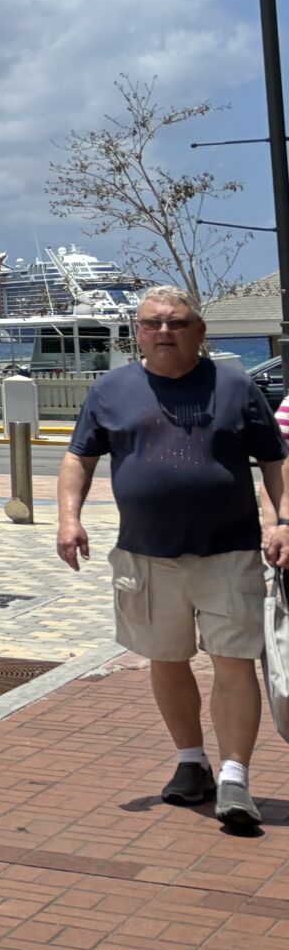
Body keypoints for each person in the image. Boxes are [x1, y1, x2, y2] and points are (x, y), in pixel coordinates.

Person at [59, 285, 289, 835]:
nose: (165, 331)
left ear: (200, 331)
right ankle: (192, 762)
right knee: (166, 659)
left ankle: (234, 776)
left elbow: (275, 461)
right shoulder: (110, 389)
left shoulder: (236, 386)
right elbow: (79, 458)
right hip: (144, 555)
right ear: (137, 331)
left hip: (229, 552)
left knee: (233, 661)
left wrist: (282, 521)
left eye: (178, 323)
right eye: (153, 322)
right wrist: (69, 518)